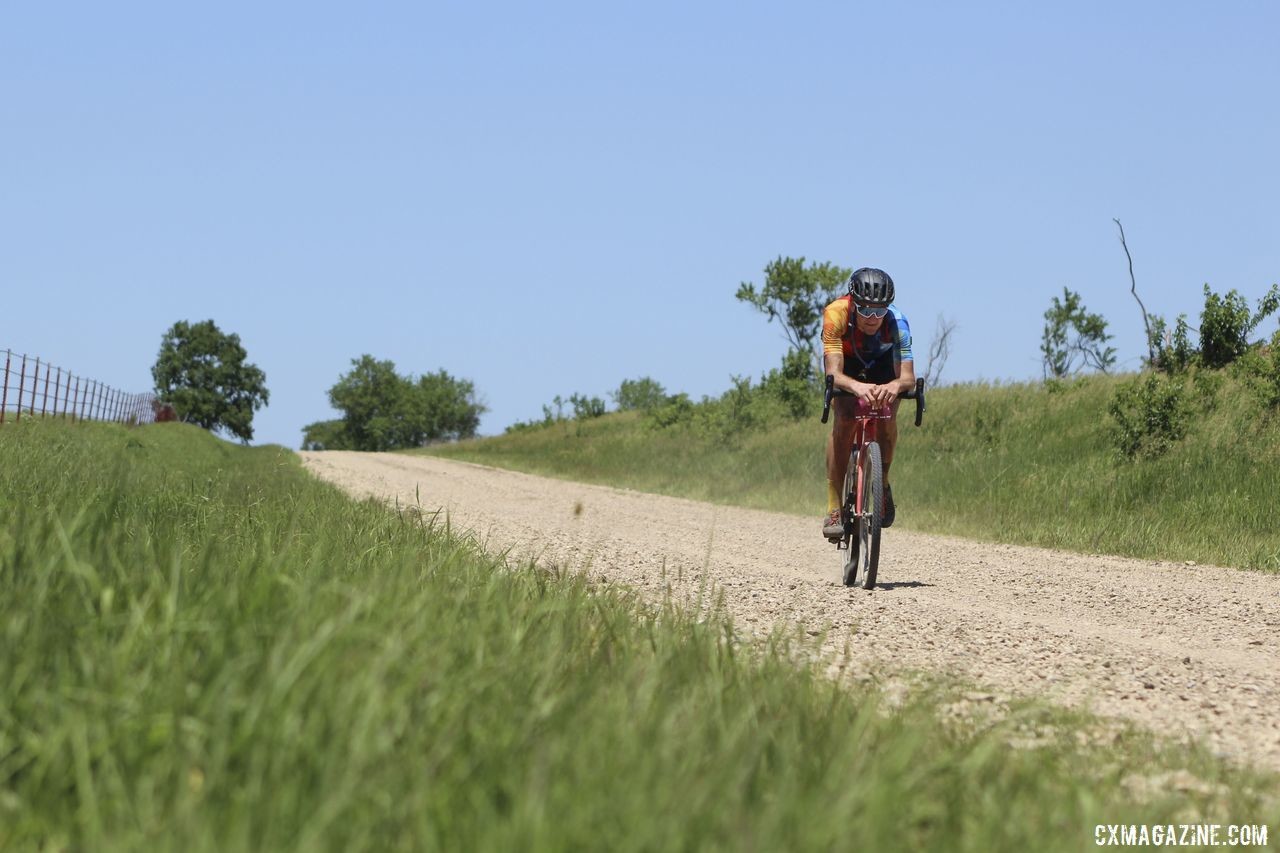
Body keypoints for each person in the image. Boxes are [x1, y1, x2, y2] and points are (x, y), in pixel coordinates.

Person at [820, 267, 915, 539]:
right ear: (853, 303)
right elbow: (834, 374)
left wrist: (894, 386)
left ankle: (881, 484)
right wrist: (858, 387)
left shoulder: (897, 321)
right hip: (847, 365)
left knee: (887, 414)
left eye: (879, 310)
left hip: (884, 365)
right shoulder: (835, 314)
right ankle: (833, 506)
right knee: (845, 418)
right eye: (866, 311)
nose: (873, 318)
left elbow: (907, 377)